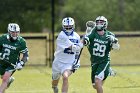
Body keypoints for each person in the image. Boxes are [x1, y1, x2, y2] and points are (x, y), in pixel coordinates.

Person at [83, 16, 120, 93]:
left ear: (105, 24)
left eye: (101, 22)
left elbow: (117, 48)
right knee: (95, 86)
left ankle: (107, 69)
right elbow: (87, 39)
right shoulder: (93, 32)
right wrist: (86, 38)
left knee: (97, 81)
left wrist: (114, 41)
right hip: (94, 62)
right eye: (97, 22)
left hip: (104, 61)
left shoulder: (110, 35)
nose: (99, 24)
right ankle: (108, 71)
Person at [52, 17, 83, 93]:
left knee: (65, 77)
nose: (68, 28)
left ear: (73, 26)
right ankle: (54, 87)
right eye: (66, 27)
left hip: (69, 63)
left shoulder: (77, 36)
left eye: (70, 27)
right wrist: (82, 43)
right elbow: (74, 48)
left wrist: (77, 61)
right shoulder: (61, 36)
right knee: (55, 80)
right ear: (63, 27)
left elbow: (77, 52)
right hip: (58, 62)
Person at [0, 23, 29, 93]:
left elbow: (26, 55)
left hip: (11, 64)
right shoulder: (3, 38)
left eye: (17, 32)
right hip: (1, 62)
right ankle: (9, 80)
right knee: (4, 78)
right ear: (9, 32)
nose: (15, 34)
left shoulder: (21, 42)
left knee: (4, 79)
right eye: (13, 32)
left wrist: (21, 63)